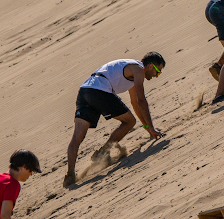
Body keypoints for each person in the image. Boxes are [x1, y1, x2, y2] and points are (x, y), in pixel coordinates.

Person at [64, 52, 165, 187]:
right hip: (99, 91)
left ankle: (70, 175)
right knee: (129, 121)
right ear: (151, 66)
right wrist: (151, 127)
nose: (156, 75)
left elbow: (135, 104)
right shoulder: (139, 69)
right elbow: (141, 101)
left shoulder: (133, 71)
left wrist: (148, 129)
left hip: (85, 91)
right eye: (157, 71)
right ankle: (102, 153)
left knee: (77, 136)